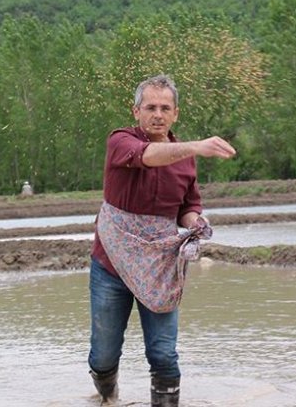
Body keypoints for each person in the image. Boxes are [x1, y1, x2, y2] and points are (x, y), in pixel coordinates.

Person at [88, 74, 236, 406]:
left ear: (175, 113)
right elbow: (148, 155)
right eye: (150, 107)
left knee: (164, 355)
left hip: (161, 266)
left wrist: (195, 221)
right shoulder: (120, 141)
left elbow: (188, 205)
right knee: (103, 355)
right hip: (111, 266)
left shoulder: (186, 159)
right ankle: (107, 395)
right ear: (136, 111)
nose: (158, 114)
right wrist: (196, 145)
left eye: (165, 108)